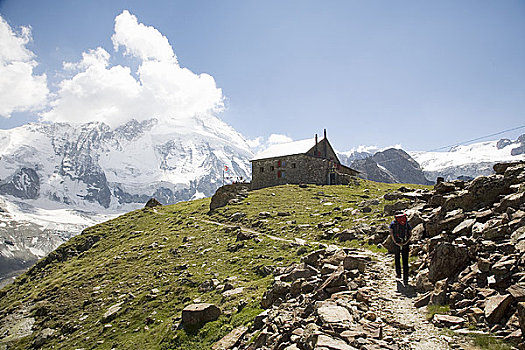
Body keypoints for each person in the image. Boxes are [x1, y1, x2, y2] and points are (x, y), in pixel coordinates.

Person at [389, 211, 412, 285]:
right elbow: (410, 233)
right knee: (405, 260)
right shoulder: (406, 223)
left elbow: (391, 232)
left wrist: (395, 242)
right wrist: (406, 242)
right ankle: (406, 278)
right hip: (405, 242)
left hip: (396, 243)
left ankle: (398, 274)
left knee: (397, 258)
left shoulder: (393, 223)